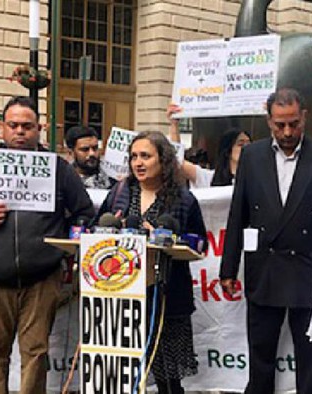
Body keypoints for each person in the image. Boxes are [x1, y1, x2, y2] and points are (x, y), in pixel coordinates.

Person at [0, 97, 95, 393]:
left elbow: (84, 212)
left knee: (36, 354)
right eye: (13, 125)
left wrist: (65, 241)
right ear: (2, 127)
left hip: (42, 279)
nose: (20, 131)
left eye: (27, 126)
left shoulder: (58, 168)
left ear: (39, 129)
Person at [220, 88, 312, 393]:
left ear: (304, 117)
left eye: (294, 123)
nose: (288, 131)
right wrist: (228, 267)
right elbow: (238, 213)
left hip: (310, 271)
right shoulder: (252, 156)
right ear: (269, 121)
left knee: (311, 358)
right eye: (280, 125)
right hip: (264, 269)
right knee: (261, 355)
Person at [94, 130, 206, 393]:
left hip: (166, 298)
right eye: (134, 157)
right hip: (121, 296)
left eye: (146, 156)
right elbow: (96, 227)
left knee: (168, 378)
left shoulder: (183, 199)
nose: (138, 163)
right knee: (119, 375)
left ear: (163, 160)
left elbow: (200, 242)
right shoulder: (119, 193)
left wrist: (165, 237)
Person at [166, 103, 252, 187]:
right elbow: (178, 162)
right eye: (241, 144)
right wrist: (174, 124)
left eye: (249, 143)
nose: (247, 147)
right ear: (228, 150)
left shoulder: (256, 179)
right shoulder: (208, 178)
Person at [64, 125, 115, 189]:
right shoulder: (63, 182)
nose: (92, 153)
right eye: (85, 149)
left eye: (95, 148)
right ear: (70, 153)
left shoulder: (112, 182)